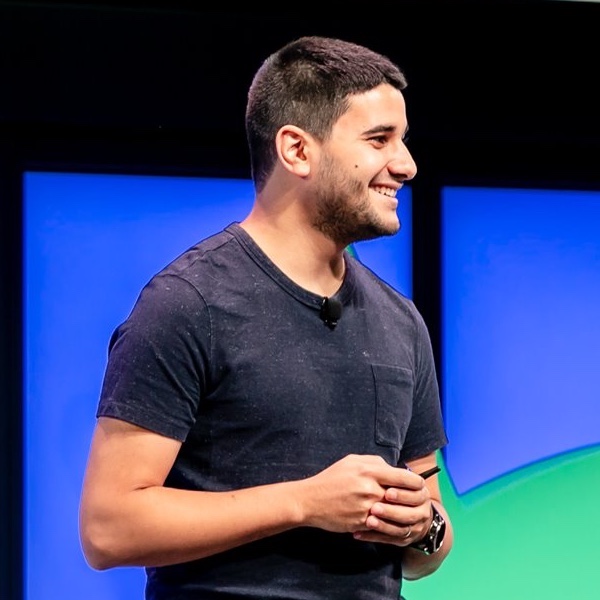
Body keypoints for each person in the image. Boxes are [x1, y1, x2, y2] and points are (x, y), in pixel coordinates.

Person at [79, 35, 454, 599]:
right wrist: (303, 502)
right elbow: (108, 529)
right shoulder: (188, 304)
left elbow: (431, 546)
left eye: (403, 140)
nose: (406, 165)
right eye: (379, 140)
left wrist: (422, 527)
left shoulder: (401, 322)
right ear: (297, 150)